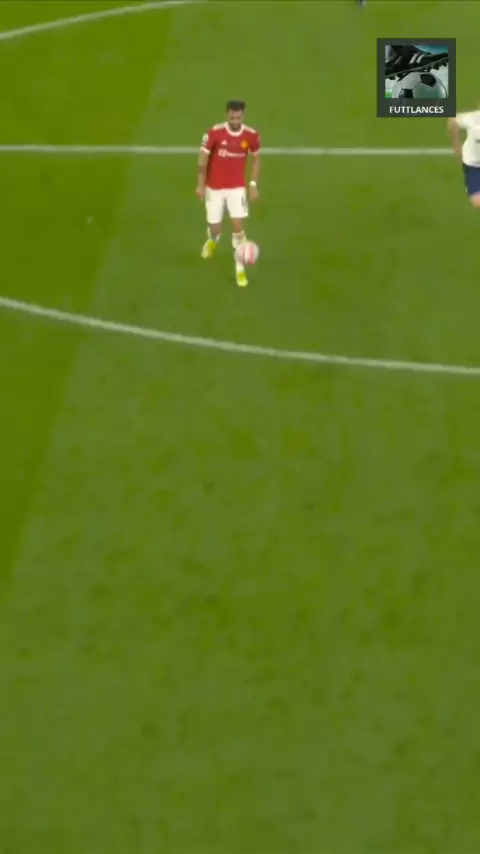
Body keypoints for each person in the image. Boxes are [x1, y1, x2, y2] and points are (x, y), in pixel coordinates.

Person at [196, 100, 260, 287]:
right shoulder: (214, 133)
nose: (235, 120)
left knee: (238, 227)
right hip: (214, 188)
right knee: (215, 227)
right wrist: (200, 185)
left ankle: (240, 269)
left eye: (238, 117)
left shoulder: (251, 135)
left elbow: (256, 159)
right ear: (227, 115)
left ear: (243, 116)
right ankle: (213, 239)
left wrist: (253, 184)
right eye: (232, 117)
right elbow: (202, 159)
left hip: (237, 188)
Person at [448, 110, 480, 208]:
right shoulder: (474, 119)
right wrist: (456, 146)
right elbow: (453, 121)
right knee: (477, 202)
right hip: (473, 164)